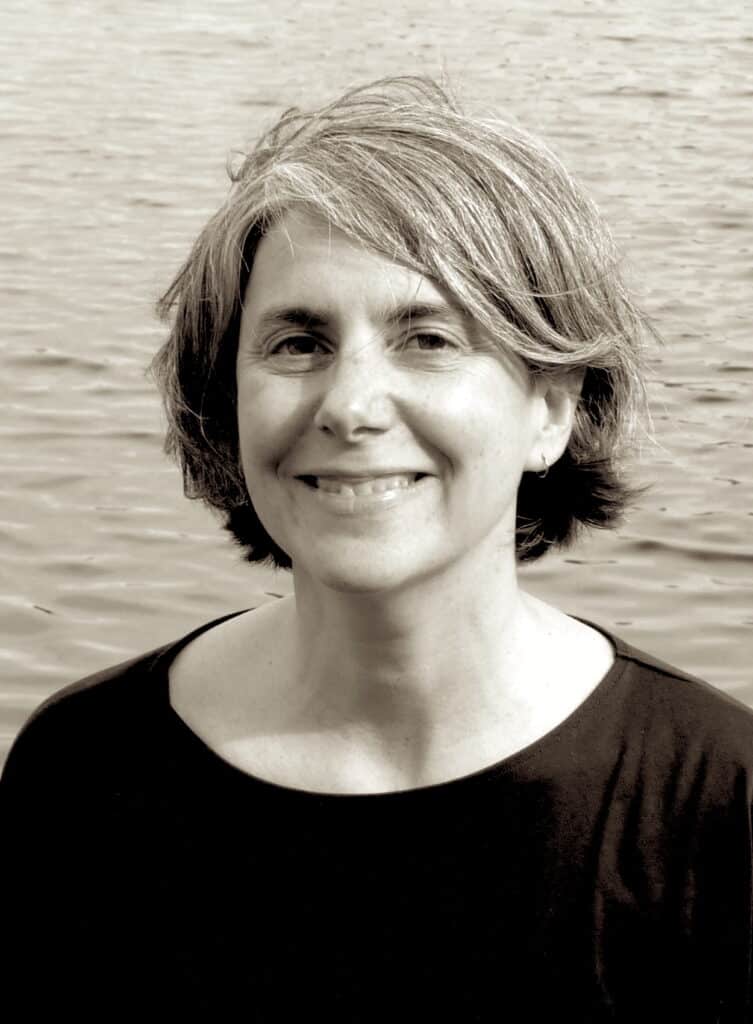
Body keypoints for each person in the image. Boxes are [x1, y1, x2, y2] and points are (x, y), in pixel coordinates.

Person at [1, 76, 751, 1022]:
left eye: (428, 338)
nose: (350, 406)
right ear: (225, 404)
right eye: (297, 344)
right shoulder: (85, 771)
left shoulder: (714, 804)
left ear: (551, 409)